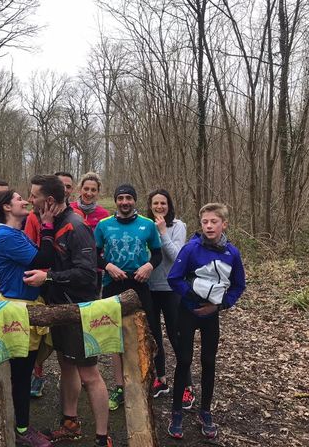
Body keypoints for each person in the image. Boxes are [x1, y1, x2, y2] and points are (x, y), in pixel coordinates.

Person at [24, 175, 113, 447]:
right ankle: (70, 423)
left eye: (34, 196)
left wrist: (48, 278)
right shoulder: (53, 223)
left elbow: (87, 274)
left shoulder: (76, 226)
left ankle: (102, 437)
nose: (30, 200)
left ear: (49, 200)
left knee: (90, 374)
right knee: (66, 366)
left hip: (79, 311)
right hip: (59, 310)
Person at [167, 203, 246, 440]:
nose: (209, 226)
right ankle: (176, 412)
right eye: (205, 222)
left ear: (224, 224)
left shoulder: (232, 253)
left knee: (209, 362)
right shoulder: (191, 249)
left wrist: (219, 305)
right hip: (188, 313)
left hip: (211, 316)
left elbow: (239, 284)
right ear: (200, 224)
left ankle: (205, 411)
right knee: (183, 360)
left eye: (214, 222)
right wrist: (193, 296)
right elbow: (174, 278)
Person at [0, 189, 60, 447]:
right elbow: (43, 259)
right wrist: (48, 225)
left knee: (24, 372)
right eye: (19, 199)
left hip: (26, 306)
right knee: (20, 374)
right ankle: (21, 430)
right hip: (15, 311)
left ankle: (20, 424)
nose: (25, 201)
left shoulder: (16, 233)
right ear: (7, 207)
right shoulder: (6, 236)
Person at [94, 184, 162, 411]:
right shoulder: (103, 226)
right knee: (116, 338)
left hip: (140, 283)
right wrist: (108, 266)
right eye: (121, 198)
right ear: (115, 201)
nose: (125, 202)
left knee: (146, 332)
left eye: (129, 198)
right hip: (113, 283)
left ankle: (143, 381)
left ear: (135, 200)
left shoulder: (148, 224)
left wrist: (149, 266)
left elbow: (158, 252)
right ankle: (120, 386)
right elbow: (93, 255)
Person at [25, 171, 81, 398]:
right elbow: (32, 250)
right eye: (63, 186)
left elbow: (80, 263)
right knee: (39, 334)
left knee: (65, 347)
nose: (66, 190)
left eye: (69, 187)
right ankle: (37, 374)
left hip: (63, 284)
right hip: (40, 279)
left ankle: (70, 387)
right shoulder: (32, 217)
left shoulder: (73, 218)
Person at [145, 189, 194, 407]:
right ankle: (161, 379)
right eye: (155, 203)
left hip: (171, 288)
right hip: (149, 288)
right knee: (154, 337)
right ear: (150, 205)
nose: (159, 207)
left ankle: (187, 386)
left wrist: (163, 232)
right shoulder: (144, 226)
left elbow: (177, 257)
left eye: (163, 203)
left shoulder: (178, 226)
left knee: (176, 336)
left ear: (169, 205)